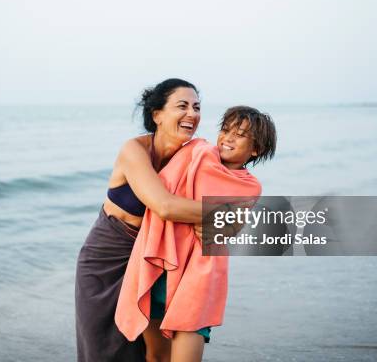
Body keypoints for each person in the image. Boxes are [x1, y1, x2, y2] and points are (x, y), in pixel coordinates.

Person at [116, 105, 277, 362]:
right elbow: (165, 197)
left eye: (240, 134)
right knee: (156, 356)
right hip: (160, 264)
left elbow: (219, 230)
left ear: (255, 149)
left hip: (198, 276)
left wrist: (208, 217)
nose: (228, 138)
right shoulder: (197, 152)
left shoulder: (249, 186)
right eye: (225, 130)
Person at [75, 78, 206, 362]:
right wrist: (228, 214)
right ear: (156, 115)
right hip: (105, 263)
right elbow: (166, 206)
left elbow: (228, 184)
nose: (192, 114)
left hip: (151, 262)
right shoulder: (133, 150)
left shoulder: (194, 156)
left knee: (152, 352)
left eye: (197, 107)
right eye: (182, 106)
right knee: (103, 351)